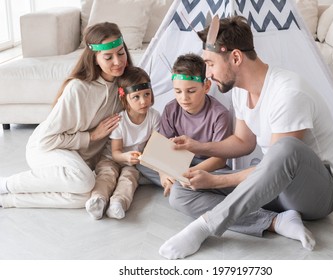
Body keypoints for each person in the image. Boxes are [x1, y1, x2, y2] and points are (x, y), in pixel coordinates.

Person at [158, 16, 333, 259]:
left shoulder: (288, 93)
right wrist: (198, 146)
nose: (208, 74)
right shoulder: (241, 91)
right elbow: (243, 143)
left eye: (210, 64)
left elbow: (278, 165)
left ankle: (205, 226)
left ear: (235, 57)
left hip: (315, 194)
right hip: (273, 189)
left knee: (285, 148)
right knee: (182, 192)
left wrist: (216, 182)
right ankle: (275, 222)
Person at [0, 22, 132, 208]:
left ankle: (6, 200)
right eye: (108, 57)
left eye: (121, 53)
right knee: (84, 181)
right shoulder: (79, 89)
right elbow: (46, 140)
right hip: (47, 150)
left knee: (85, 196)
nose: (118, 62)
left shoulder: (124, 86)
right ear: (95, 58)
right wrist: (91, 136)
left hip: (76, 160)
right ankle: (5, 184)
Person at [136, 53, 232, 197]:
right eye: (178, 91)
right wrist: (163, 173)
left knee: (227, 180)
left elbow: (219, 159)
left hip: (208, 167)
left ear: (206, 86)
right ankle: (177, 184)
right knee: (141, 162)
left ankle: (181, 186)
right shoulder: (171, 109)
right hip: (178, 162)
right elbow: (161, 149)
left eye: (191, 91)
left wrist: (187, 175)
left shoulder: (219, 114)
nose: (183, 98)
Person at [85, 67, 160, 219]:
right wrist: (126, 157)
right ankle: (97, 200)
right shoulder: (120, 120)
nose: (144, 101)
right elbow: (116, 153)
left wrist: (142, 158)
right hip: (111, 158)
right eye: (136, 97)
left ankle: (118, 202)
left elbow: (154, 145)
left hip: (133, 161)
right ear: (125, 98)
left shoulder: (154, 116)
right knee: (107, 175)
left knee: (129, 178)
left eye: (147, 94)